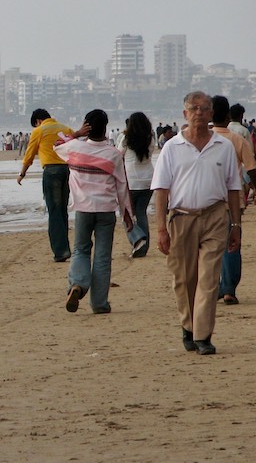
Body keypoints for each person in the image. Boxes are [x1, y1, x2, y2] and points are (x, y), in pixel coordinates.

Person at [152, 91, 242, 355]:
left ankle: (203, 335)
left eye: (204, 108)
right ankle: (188, 327)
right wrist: (160, 228)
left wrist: (236, 226)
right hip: (181, 218)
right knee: (184, 279)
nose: (199, 113)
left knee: (208, 277)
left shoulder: (223, 147)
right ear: (185, 114)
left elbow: (233, 189)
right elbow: (161, 190)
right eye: (194, 108)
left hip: (215, 217)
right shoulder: (172, 147)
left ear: (212, 113)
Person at [57, 109, 133, 314]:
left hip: (83, 208)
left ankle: (78, 284)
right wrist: (127, 214)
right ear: (106, 128)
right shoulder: (114, 154)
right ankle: (99, 303)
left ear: (86, 127)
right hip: (106, 210)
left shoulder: (74, 148)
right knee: (102, 256)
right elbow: (121, 186)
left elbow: (57, 145)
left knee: (81, 250)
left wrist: (77, 133)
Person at [18, 109, 90, 261]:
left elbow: (29, 154)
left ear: (37, 121)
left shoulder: (39, 131)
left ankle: (61, 250)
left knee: (54, 212)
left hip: (51, 172)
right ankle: (65, 247)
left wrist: (22, 173)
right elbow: (74, 140)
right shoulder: (64, 128)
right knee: (62, 210)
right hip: (67, 171)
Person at [210, 96, 256, 306]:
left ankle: (217, 287)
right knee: (232, 244)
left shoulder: (205, 139)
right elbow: (252, 170)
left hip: (208, 200)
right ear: (228, 116)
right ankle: (228, 289)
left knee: (210, 246)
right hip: (233, 200)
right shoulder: (238, 140)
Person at [118, 112, 156, 257]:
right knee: (141, 212)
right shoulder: (150, 138)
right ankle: (143, 247)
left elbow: (118, 154)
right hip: (148, 180)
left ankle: (138, 240)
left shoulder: (125, 139)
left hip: (132, 181)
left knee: (126, 214)